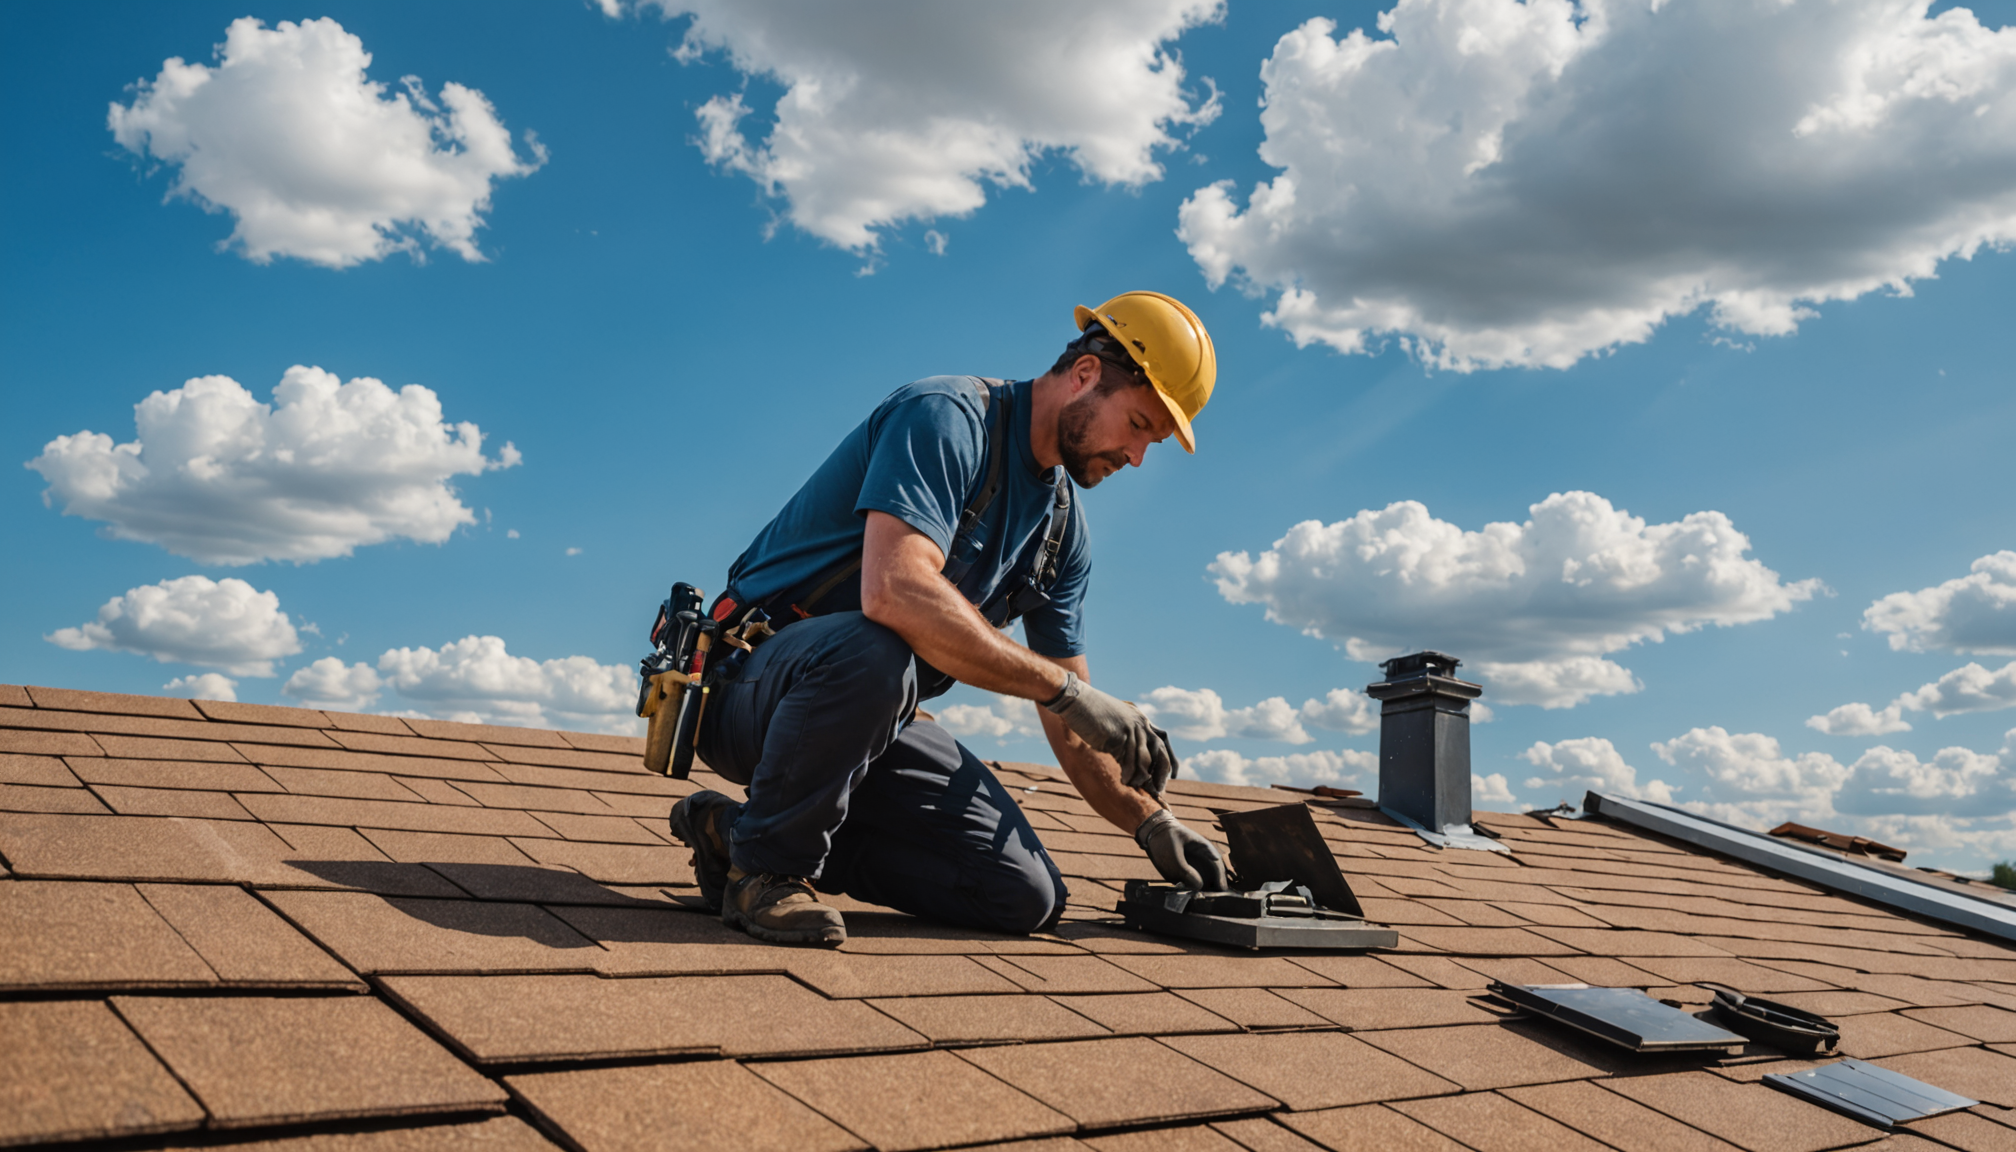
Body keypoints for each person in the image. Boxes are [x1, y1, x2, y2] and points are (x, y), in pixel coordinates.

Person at [667, 292, 1229, 946]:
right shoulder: (947, 418)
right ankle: (765, 872)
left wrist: (1151, 822)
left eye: (1152, 442)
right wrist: (1069, 693)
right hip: (753, 692)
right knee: (876, 649)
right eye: (1137, 425)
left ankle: (736, 835)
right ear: (1084, 376)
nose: (1136, 457)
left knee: (1022, 895)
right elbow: (894, 591)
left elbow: (1071, 718)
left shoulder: (1059, 533)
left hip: (871, 716)